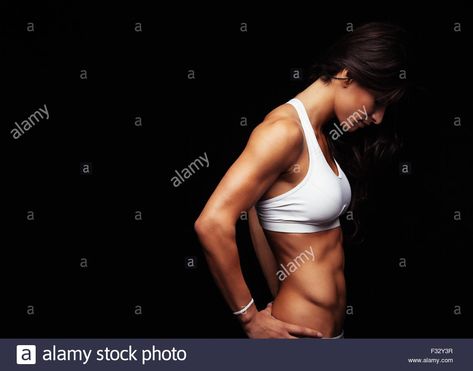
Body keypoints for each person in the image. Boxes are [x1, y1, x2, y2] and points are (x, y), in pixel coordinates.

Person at [195, 22, 407, 339]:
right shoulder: (284, 131)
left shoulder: (320, 135)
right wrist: (250, 319)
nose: (378, 117)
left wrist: (278, 291)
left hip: (318, 332)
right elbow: (211, 223)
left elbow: (256, 211)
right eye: (377, 101)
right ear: (347, 76)